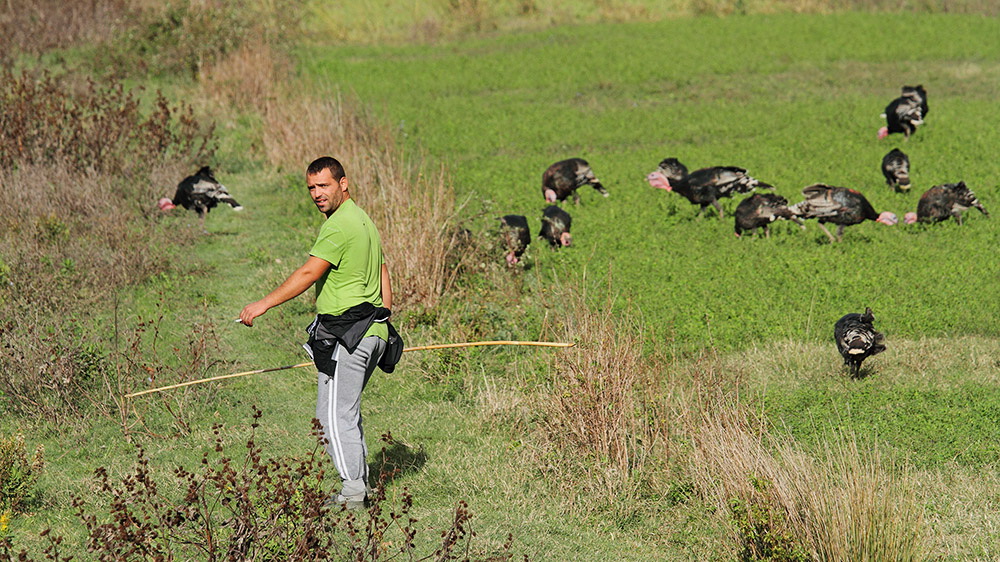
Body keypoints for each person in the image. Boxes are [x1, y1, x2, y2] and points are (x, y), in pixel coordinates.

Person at [239, 156, 395, 509]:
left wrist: (262, 304)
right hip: (370, 330)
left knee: (336, 417)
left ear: (343, 183)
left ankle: (354, 493)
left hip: (350, 335)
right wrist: (384, 317)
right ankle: (356, 486)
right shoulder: (363, 219)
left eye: (323, 185)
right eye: (311, 187)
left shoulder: (339, 225)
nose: (316, 194)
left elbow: (309, 272)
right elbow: (383, 269)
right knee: (336, 414)